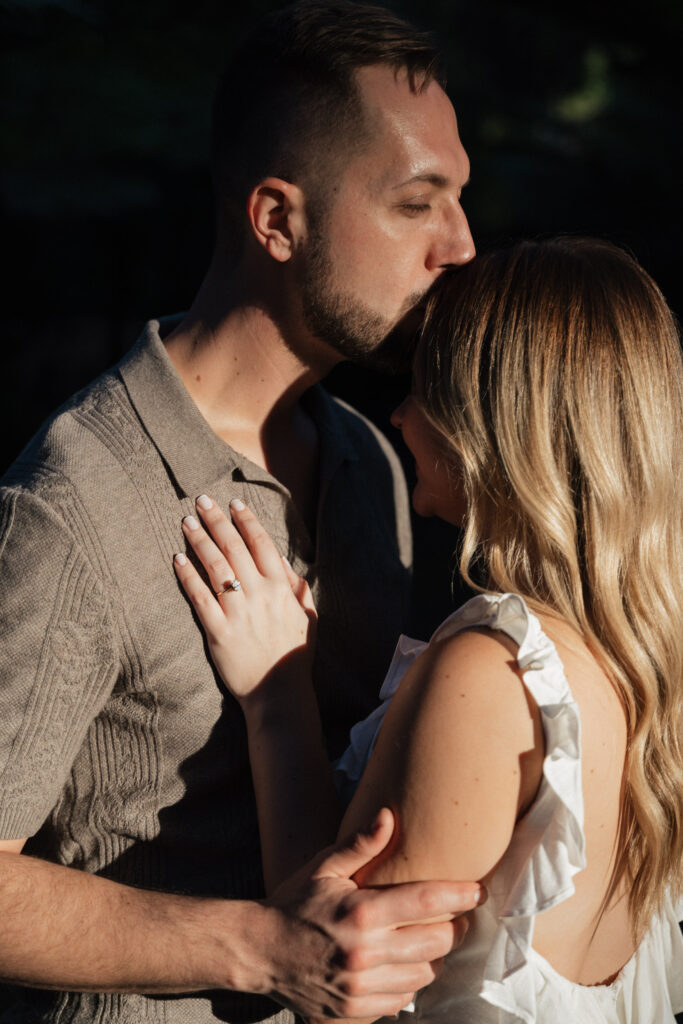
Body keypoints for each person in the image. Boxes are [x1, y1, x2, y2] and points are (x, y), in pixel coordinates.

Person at [0, 3, 481, 1022]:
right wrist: (261, 949)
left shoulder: (373, 462)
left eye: (458, 200)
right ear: (275, 220)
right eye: (415, 204)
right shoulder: (72, 501)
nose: (460, 245)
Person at [174, 237, 683, 1022]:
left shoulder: (495, 675)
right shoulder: (635, 657)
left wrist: (277, 698)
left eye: (422, 386)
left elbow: (336, 986)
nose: (399, 414)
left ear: (490, 424)